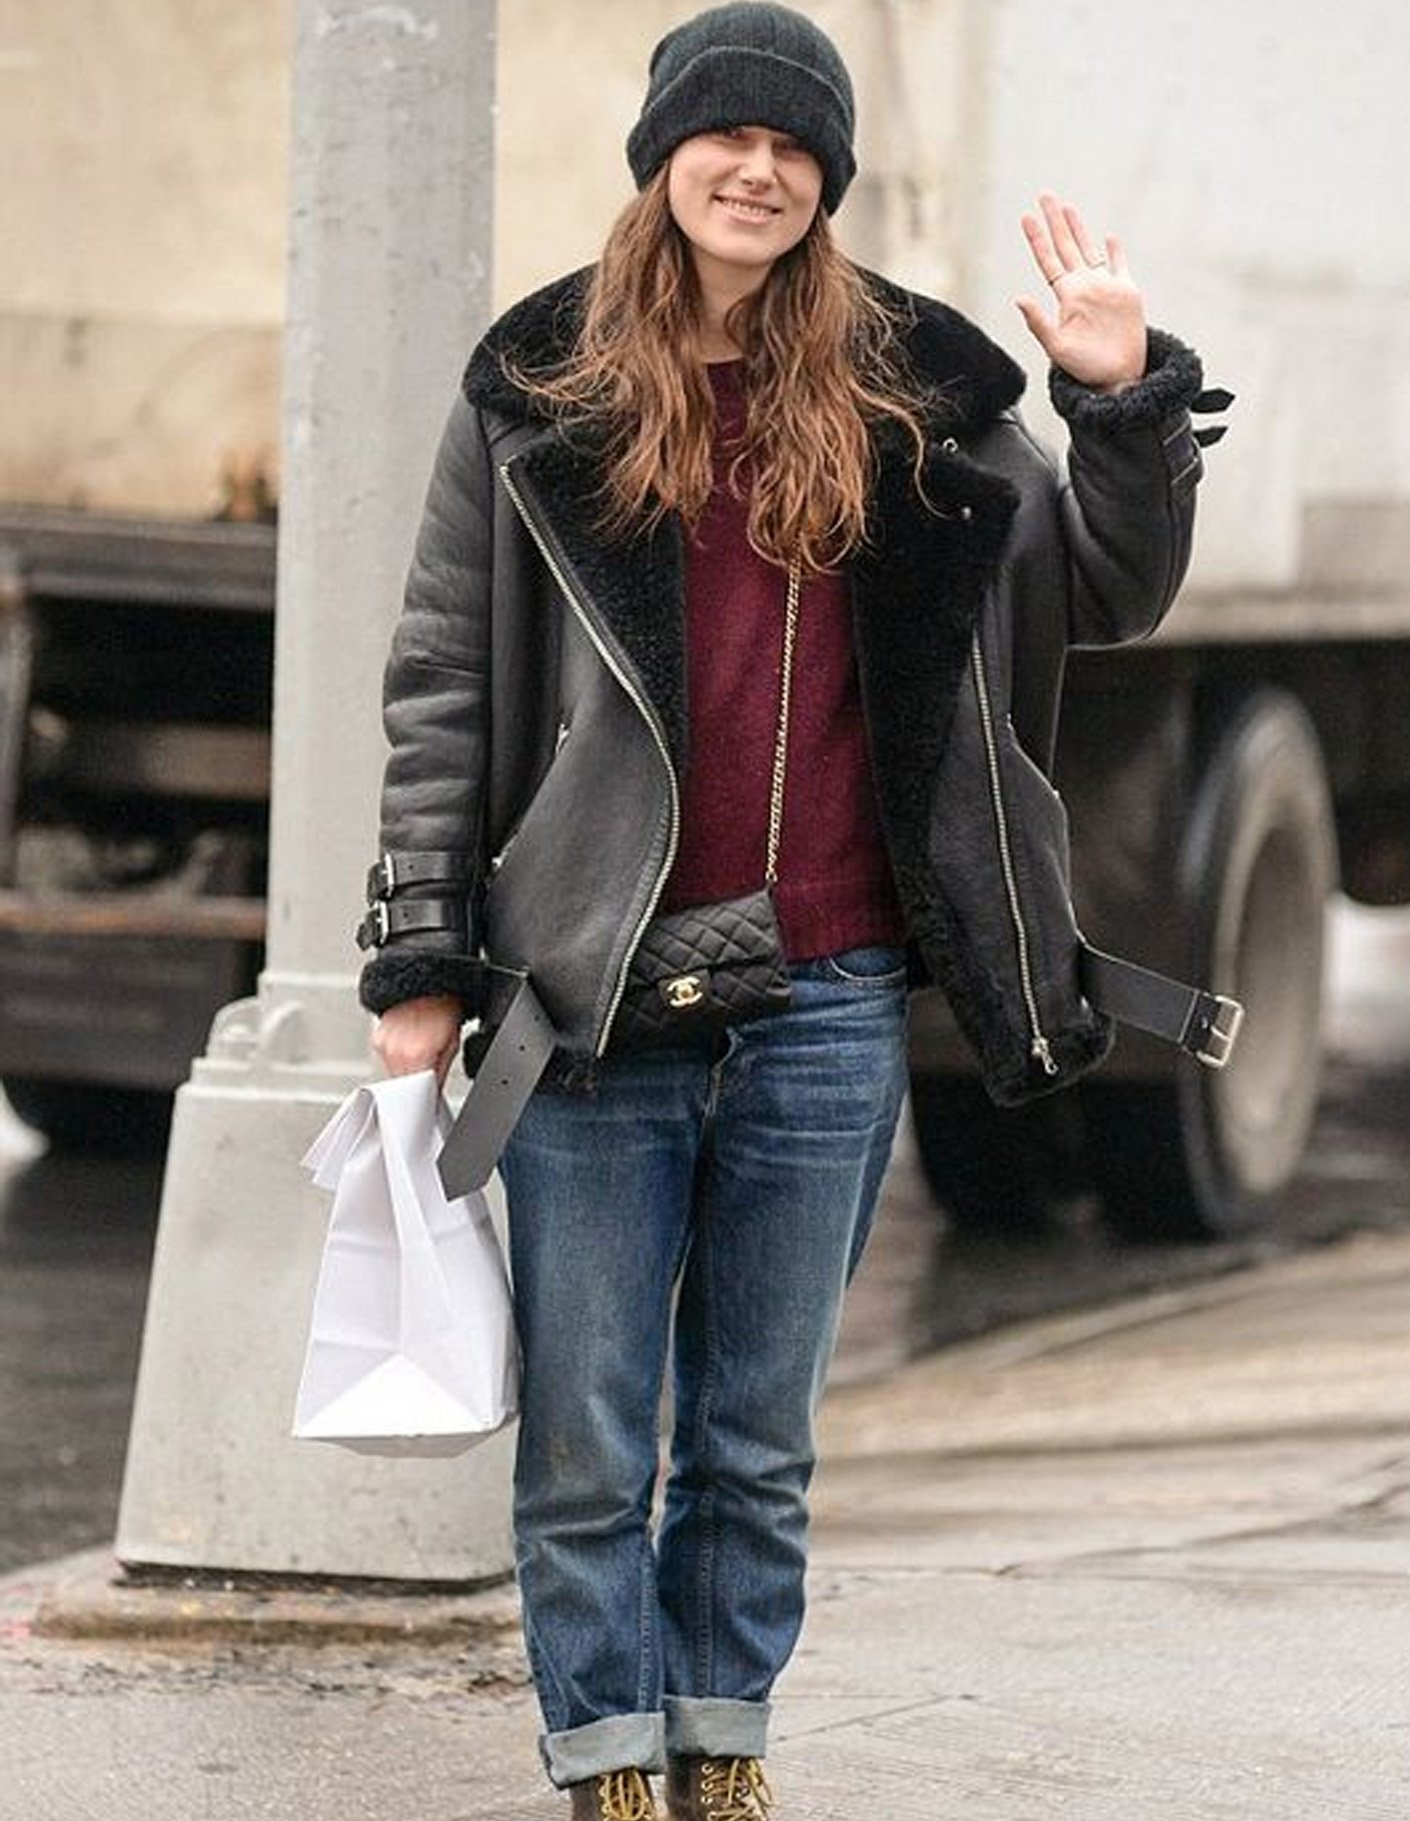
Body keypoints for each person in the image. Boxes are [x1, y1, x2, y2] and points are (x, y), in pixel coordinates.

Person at [357, 5, 1215, 1815]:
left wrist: (1116, 404)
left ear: (826, 180)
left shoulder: (918, 393)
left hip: (827, 996)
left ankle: (722, 1745)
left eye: (793, 146)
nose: (757, 170)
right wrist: (420, 956)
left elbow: (1109, 592)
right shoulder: (536, 388)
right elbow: (442, 680)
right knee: (589, 1441)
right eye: (724, 136)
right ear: (662, 156)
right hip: (591, 994)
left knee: (755, 1439)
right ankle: (607, 1762)